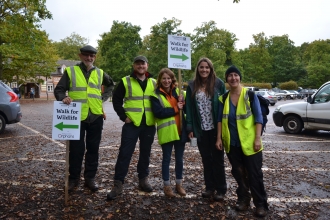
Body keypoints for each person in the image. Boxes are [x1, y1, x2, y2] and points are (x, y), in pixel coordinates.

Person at [54, 45, 114, 192]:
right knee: (76, 150)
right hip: (76, 117)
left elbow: (111, 85)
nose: (89, 58)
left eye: (92, 56)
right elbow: (59, 89)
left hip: (95, 116)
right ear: (80, 56)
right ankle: (74, 178)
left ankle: (90, 178)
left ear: (95, 57)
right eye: (86, 55)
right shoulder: (71, 71)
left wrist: (102, 98)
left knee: (93, 148)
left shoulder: (100, 73)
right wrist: (64, 97)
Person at [215, 66, 268, 217]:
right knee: (239, 173)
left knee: (254, 174)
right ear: (226, 79)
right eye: (230, 76)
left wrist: (257, 138)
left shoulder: (250, 95)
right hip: (232, 144)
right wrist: (219, 138)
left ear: (239, 78)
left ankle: (261, 204)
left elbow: (258, 118)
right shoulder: (223, 98)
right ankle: (244, 199)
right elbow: (219, 120)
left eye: (235, 75)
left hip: (251, 143)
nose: (233, 78)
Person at [107, 55, 156, 200]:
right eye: (138, 64)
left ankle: (143, 179)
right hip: (132, 124)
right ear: (134, 65)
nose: (141, 66)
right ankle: (118, 183)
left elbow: (164, 97)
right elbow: (116, 100)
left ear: (147, 65)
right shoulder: (125, 81)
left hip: (148, 124)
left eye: (143, 64)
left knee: (145, 153)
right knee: (125, 153)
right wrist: (123, 116)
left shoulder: (154, 82)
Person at [185, 57, 227, 201]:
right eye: (201, 67)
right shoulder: (191, 85)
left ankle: (221, 189)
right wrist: (189, 126)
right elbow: (189, 108)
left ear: (211, 69)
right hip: (200, 129)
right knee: (206, 160)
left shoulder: (219, 84)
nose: (204, 70)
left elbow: (223, 107)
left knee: (218, 160)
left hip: (216, 129)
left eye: (207, 67)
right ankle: (210, 187)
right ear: (198, 69)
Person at [150, 68, 188, 197]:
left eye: (169, 78)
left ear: (172, 79)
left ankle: (179, 184)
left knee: (179, 159)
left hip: (180, 131)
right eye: (164, 78)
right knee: (166, 159)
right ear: (159, 80)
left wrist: (184, 102)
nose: (166, 81)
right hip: (166, 132)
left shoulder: (179, 92)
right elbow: (159, 113)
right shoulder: (155, 95)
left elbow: (187, 110)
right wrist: (177, 108)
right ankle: (167, 186)